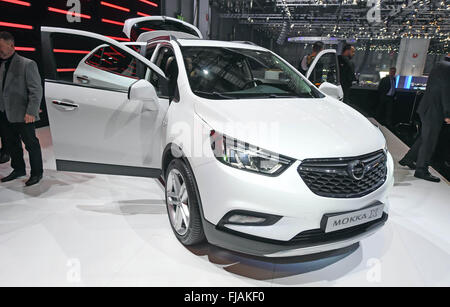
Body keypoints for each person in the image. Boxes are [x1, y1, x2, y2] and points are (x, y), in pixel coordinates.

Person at [0, 31, 43, 186]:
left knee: (31, 144)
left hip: (24, 114)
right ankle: (18, 169)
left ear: (11, 45)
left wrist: (31, 111)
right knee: (12, 144)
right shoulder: (1, 64)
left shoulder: (27, 64)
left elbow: (36, 90)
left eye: (1, 46)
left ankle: (37, 173)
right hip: (4, 113)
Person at [399, 55, 450, 183]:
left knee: (425, 137)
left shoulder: (440, 65)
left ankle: (408, 159)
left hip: (428, 108)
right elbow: (446, 91)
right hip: (434, 109)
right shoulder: (447, 67)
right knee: (430, 140)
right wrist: (447, 113)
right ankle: (421, 170)